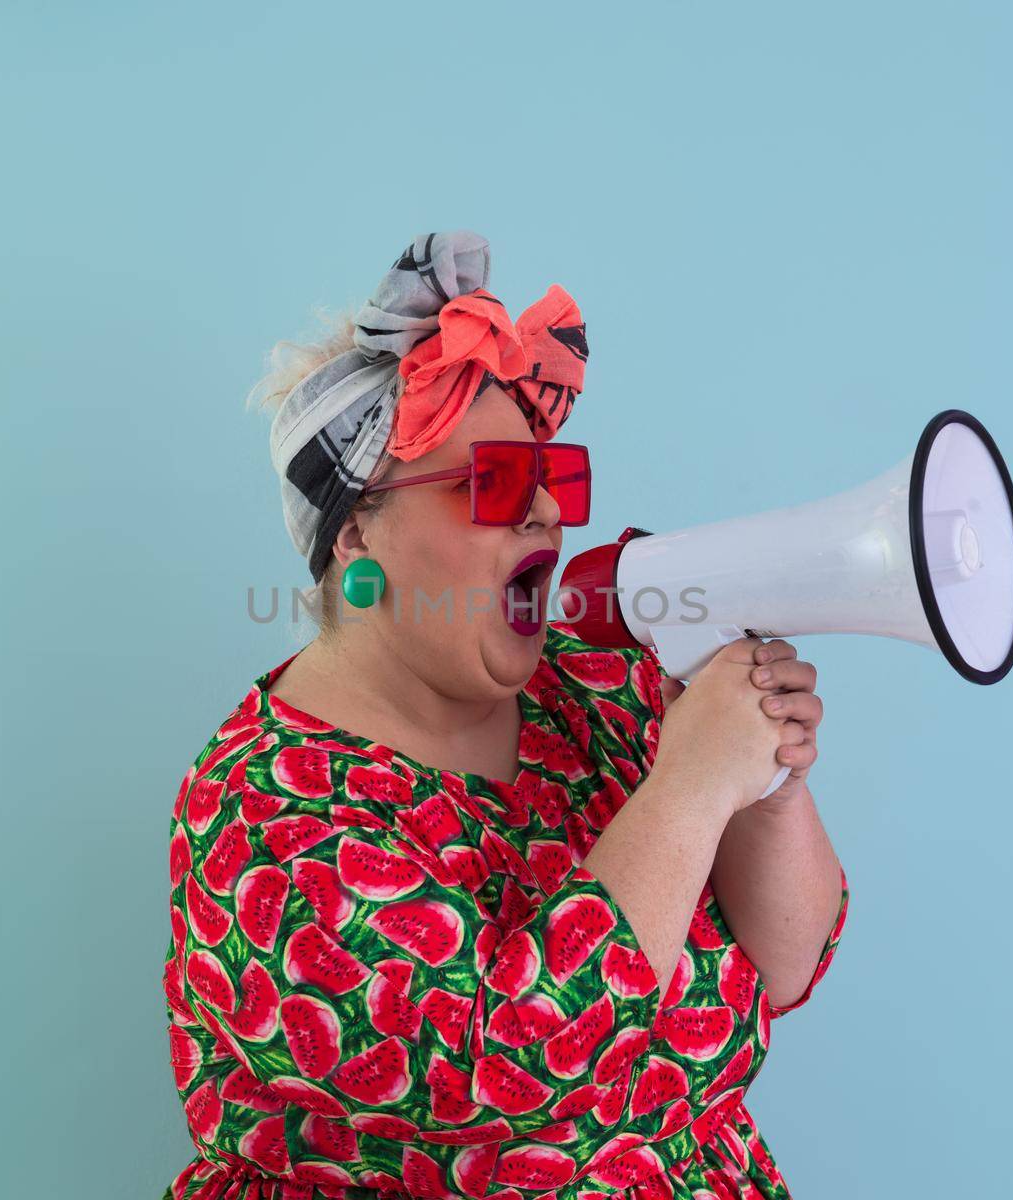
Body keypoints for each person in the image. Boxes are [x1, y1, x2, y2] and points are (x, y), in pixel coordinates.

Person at [162, 231, 849, 1200]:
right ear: (359, 531)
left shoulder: (599, 692)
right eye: (490, 484)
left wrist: (766, 781)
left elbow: (785, 962)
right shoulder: (258, 816)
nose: (544, 519)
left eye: (550, 478)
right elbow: (511, 1071)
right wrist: (691, 789)